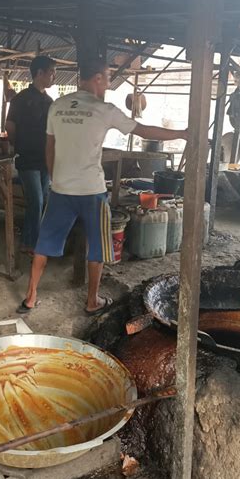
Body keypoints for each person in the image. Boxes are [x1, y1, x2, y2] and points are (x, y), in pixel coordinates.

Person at [18, 58, 188, 315]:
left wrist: (55, 177)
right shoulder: (104, 109)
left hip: (62, 190)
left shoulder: (58, 106)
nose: (109, 83)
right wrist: (181, 134)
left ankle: (30, 297)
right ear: (97, 78)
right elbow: (143, 131)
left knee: (45, 242)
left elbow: (49, 147)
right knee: (96, 245)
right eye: (108, 77)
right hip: (92, 192)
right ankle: (92, 301)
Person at [6, 56, 56, 254]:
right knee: (36, 201)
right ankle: (30, 243)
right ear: (40, 73)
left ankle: (32, 239)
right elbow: (9, 126)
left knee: (42, 199)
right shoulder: (20, 99)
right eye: (51, 72)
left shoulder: (50, 101)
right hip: (27, 158)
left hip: (45, 159)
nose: (54, 76)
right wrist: (19, 145)